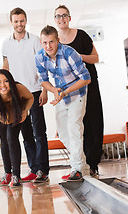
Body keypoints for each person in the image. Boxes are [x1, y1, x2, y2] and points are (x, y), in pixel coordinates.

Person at [35, 25, 91, 181]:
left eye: (51, 42)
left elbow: (86, 78)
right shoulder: (40, 57)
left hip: (77, 95)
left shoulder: (69, 53)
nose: (48, 46)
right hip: (60, 95)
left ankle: (76, 169)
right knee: (64, 134)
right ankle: (83, 166)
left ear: (58, 41)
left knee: (74, 128)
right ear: (41, 42)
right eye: (45, 42)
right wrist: (54, 90)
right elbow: (43, 81)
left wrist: (64, 92)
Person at [54, 5, 104, 178]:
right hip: (68, 89)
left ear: (69, 17)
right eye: (58, 16)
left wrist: (76, 55)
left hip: (88, 83)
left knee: (92, 122)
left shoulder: (81, 35)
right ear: (55, 20)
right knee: (73, 127)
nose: (62, 19)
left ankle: (93, 164)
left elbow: (95, 58)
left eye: (64, 15)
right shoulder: (54, 41)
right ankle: (79, 163)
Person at [2, 7, 49, 182]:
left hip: (35, 91)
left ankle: (42, 170)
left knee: (39, 133)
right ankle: (33, 168)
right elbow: (6, 68)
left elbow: (42, 66)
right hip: (16, 96)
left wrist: (45, 89)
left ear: (26, 20)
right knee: (26, 134)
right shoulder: (6, 43)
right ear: (11, 22)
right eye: (16, 21)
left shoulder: (35, 41)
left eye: (22, 21)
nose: (19, 24)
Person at [0, 69, 34, 188]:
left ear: (11, 81)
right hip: (0, 116)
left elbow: (30, 98)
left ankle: (16, 175)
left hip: (16, 113)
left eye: (6, 81)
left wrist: (26, 110)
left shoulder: (19, 88)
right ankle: (8, 173)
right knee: (4, 141)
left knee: (12, 139)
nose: (3, 85)